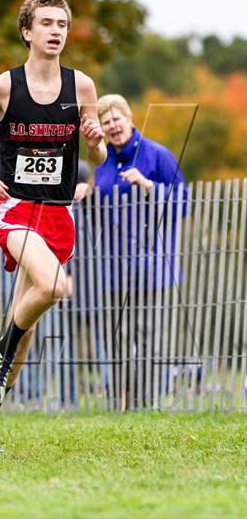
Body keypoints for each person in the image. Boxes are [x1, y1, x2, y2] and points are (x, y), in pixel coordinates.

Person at [0, 0, 106, 452]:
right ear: (27, 32)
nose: (57, 31)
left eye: (63, 24)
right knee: (56, 286)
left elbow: (95, 155)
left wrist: (94, 140)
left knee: (28, 329)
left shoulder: (83, 88)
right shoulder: (2, 86)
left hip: (57, 213)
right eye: (47, 23)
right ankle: (1, 351)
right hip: (13, 207)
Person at [93, 94, 187, 410]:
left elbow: (184, 202)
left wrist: (148, 186)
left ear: (130, 118)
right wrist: (85, 195)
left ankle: (145, 404)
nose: (113, 126)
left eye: (117, 119)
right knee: (115, 339)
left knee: (150, 338)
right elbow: (94, 216)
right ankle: (119, 404)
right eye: (106, 122)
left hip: (153, 270)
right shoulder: (100, 163)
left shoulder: (158, 156)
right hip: (111, 271)